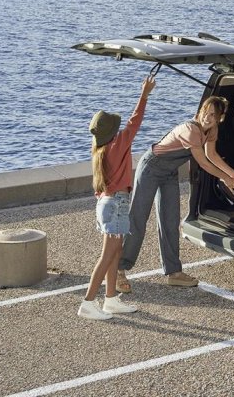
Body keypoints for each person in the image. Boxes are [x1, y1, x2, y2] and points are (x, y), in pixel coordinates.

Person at [117, 95, 234, 293]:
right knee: (138, 218)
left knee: (170, 221)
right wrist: (225, 178)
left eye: (212, 115)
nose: (207, 118)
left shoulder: (212, 130)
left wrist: (232, 174)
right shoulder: (190, 130)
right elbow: (203, 162)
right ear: (200, 111)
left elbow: (212, 155)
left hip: (169, 173)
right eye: (205, 112)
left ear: (219, 118)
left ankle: (174, 272)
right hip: (151, 167)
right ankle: (119, 269)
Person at [79, 75, 155, 320]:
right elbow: (135, 122)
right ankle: (88, 303)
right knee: (106, 257)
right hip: (116, 205)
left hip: (106, 203)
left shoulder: (99, 151)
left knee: (113, 253)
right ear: (112, 132)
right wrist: (144, 94)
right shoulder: (116, 146)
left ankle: (110, 299)